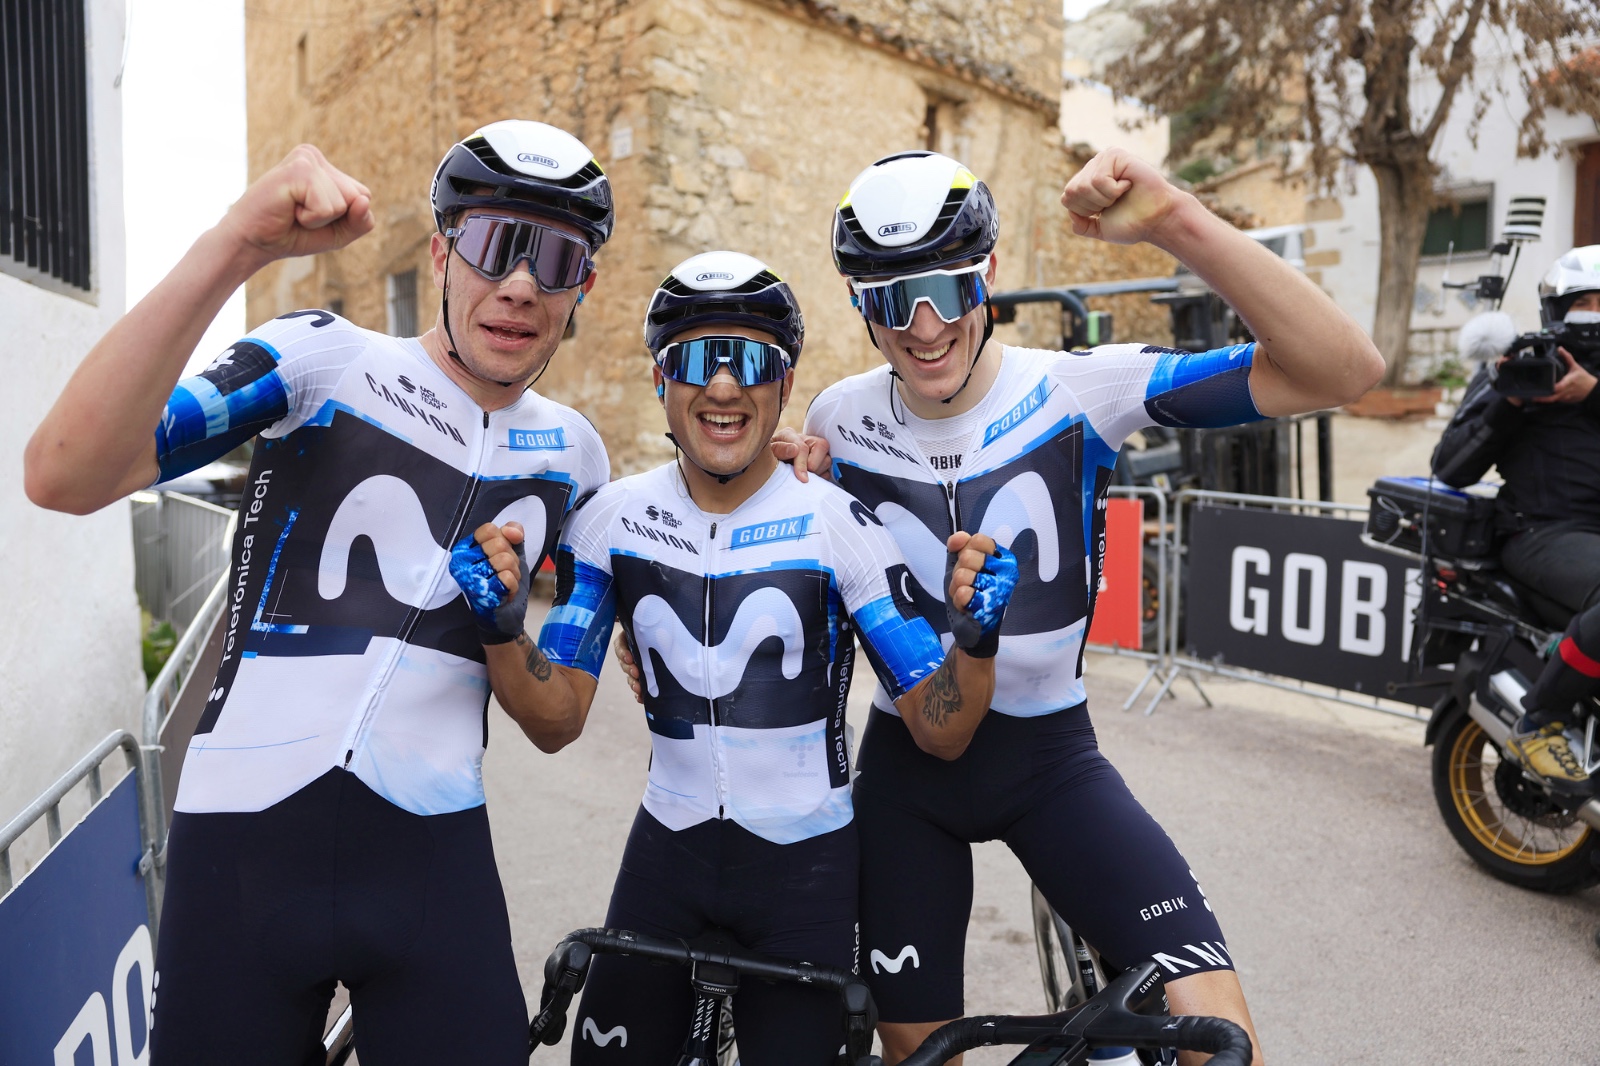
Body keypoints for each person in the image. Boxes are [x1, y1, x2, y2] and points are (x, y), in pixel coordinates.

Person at [616, 148, 1382, 1065]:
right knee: (919, 1052)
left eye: (946, 288)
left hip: (1053, 762)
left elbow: (1346, 370)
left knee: (1223, 1044)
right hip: (908, 774)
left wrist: (1174, 221)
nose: (926, 325)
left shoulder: (1077, 389)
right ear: (861, 305)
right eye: (892, 298)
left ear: (987, 274)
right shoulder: (833, 419)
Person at [24, 120, 618, 1064]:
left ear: (583, 287)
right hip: (244, 858)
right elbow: (64, 471)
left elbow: (558, 720)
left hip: (431, 863)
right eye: (494, 243)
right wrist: (239, 242)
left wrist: (507, 631)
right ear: (441, 252)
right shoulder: (322, 360)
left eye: (556, 258)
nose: (519, 283)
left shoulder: (579, 462)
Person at [510, 251, 1014, 1066]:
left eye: (749, 360)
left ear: (783, 384)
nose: (721, 387)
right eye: (696, 361)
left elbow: (941, 729)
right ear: (658, 380)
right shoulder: (611, 521)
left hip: (805, 874)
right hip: (665, 854)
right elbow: (557, 722)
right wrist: (505, 633)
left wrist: (977, 643)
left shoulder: (839, 524)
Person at [1433, 245, 1600, 788]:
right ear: (1559, 307)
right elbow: (1451, 468)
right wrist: (1508, 402)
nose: (1595, 313)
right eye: (1586, 302)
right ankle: (1541, 719)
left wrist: (1593, 395)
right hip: (1542, 532)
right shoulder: (1522, 365)